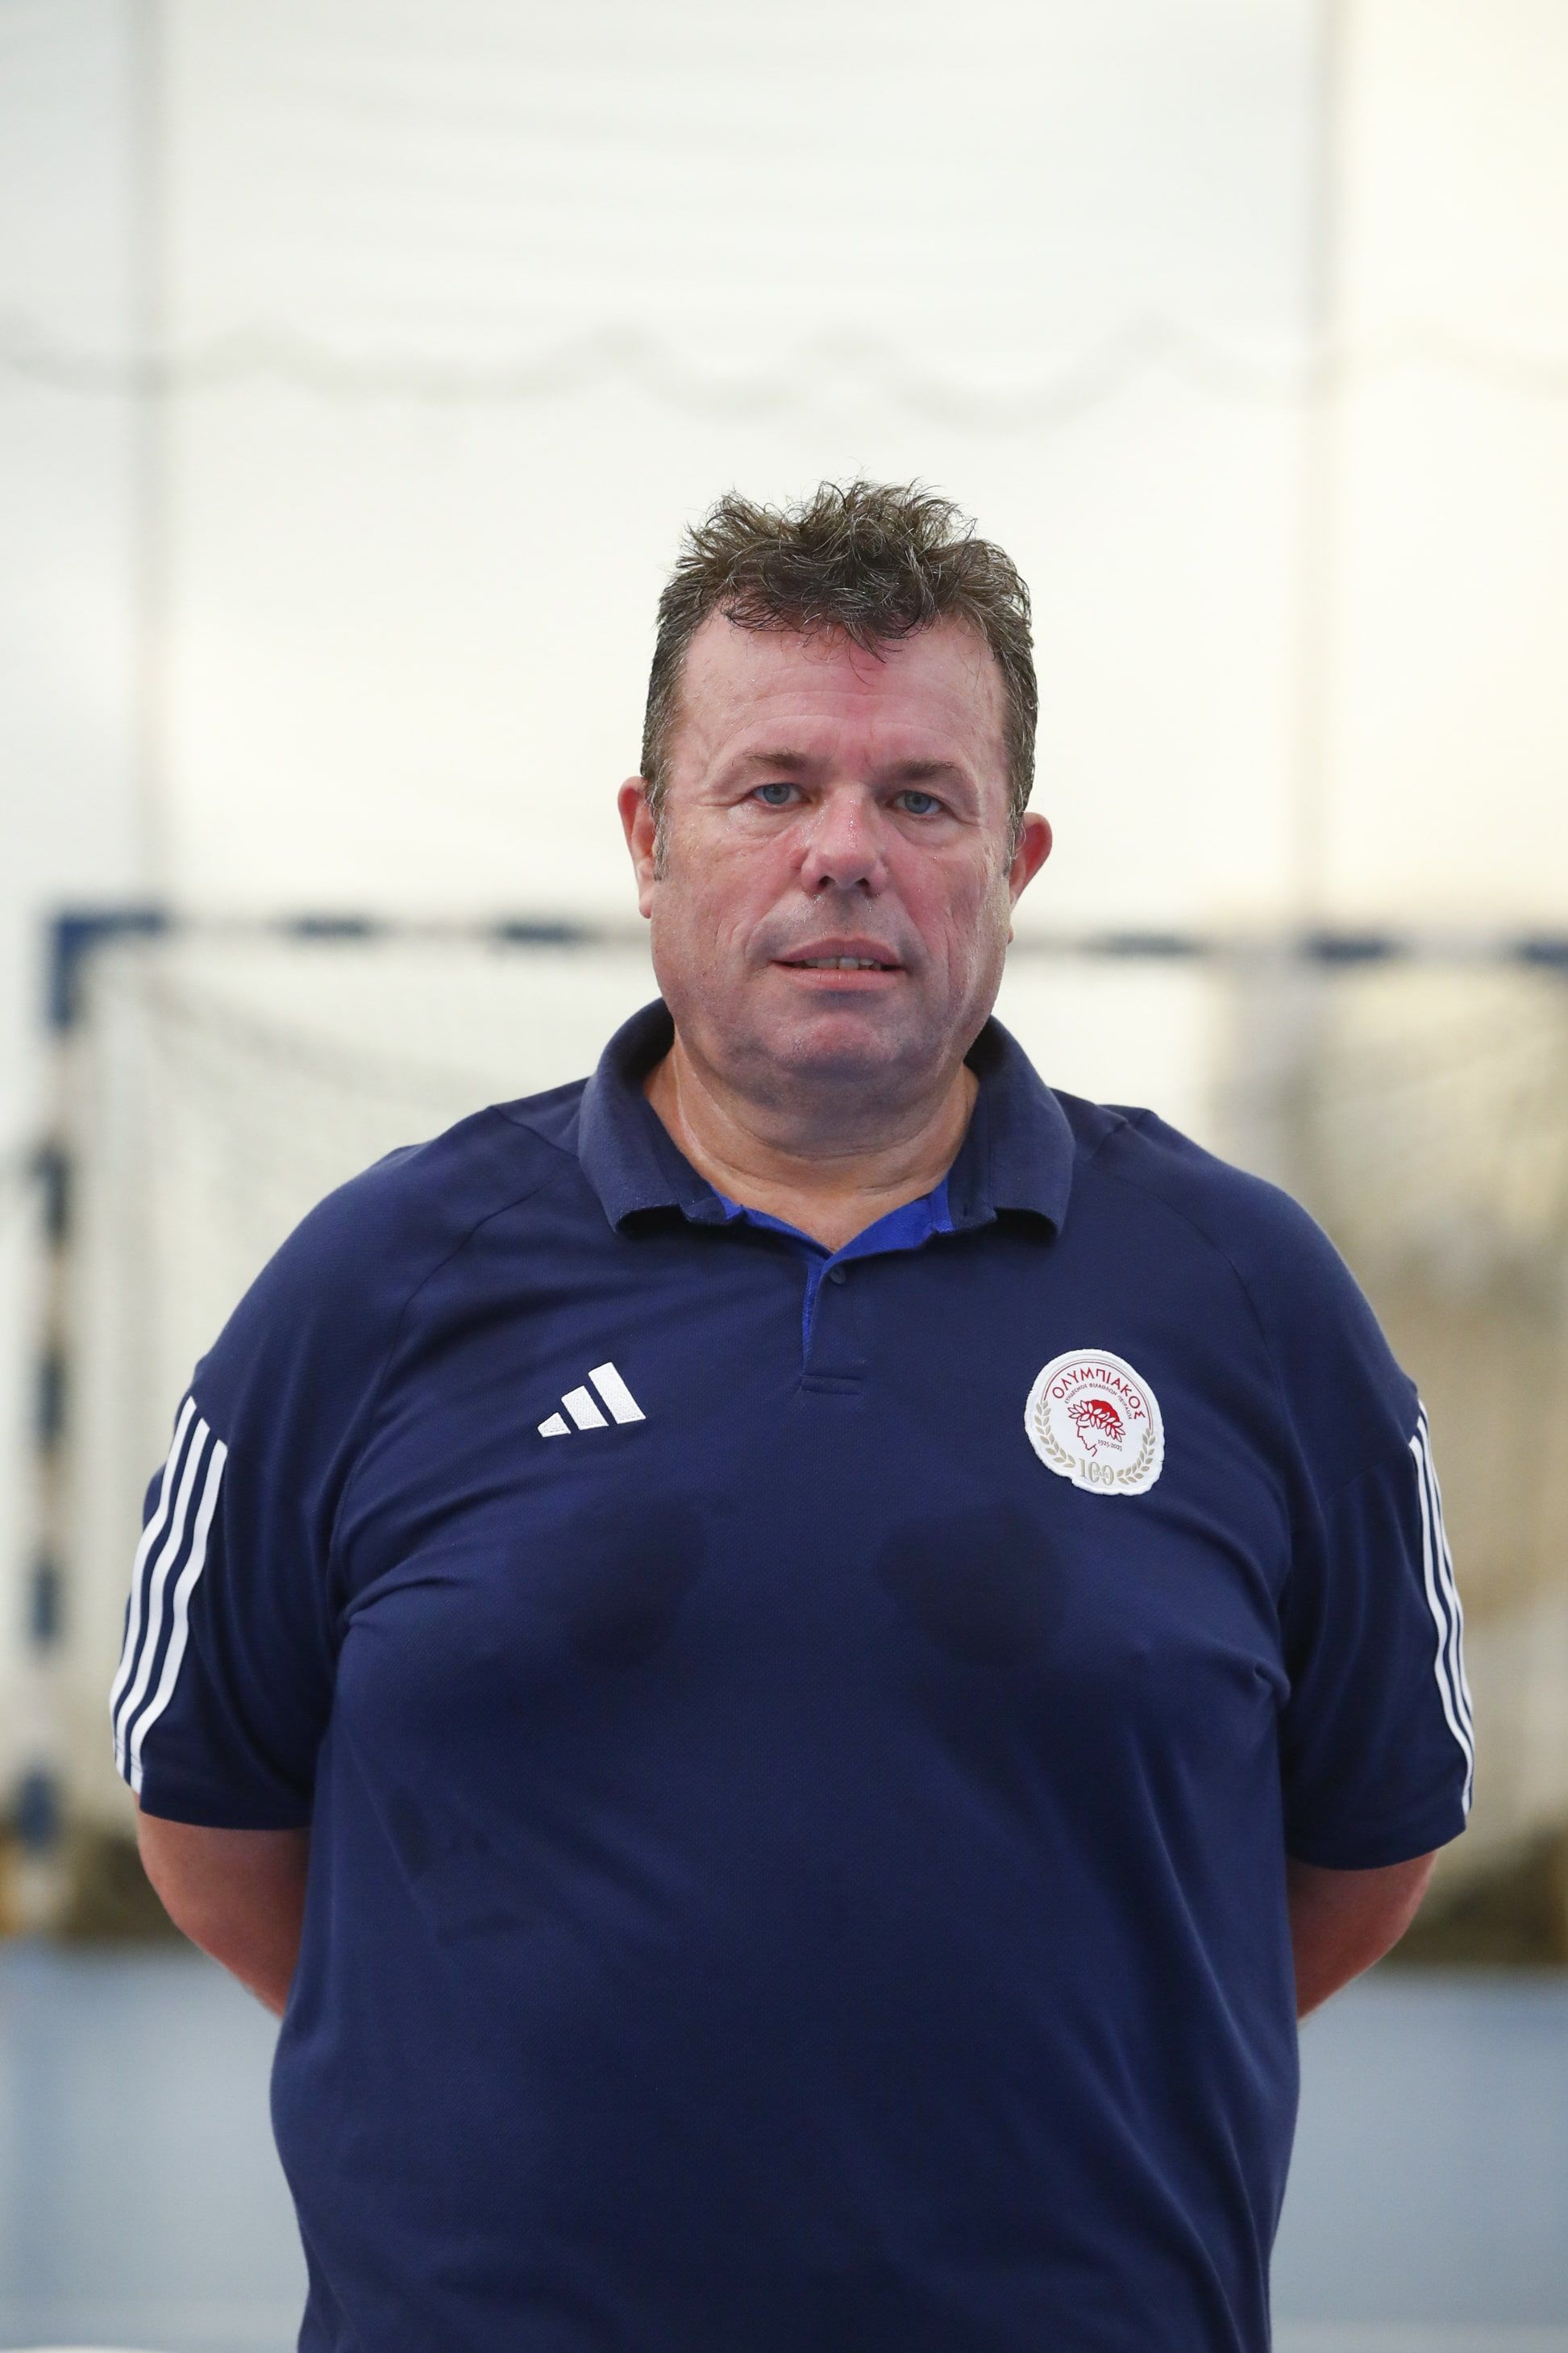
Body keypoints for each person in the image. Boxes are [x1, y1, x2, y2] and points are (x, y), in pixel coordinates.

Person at [115, 481, 1473, 2353]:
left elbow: (1359, 1850)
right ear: (647, 838)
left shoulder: (1250, 1300)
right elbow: (209, 1825)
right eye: (771, 789)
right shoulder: (376, 1286)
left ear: (1016, 860)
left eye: (921, 798)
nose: (845, 852)